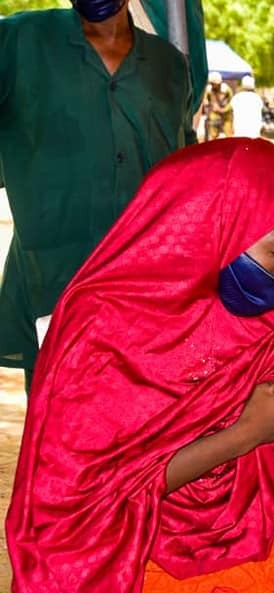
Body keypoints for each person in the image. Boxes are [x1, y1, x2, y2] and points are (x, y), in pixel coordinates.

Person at [5, 139, 274, 593]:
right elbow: (77, 504)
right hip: (138, 560)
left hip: (256, 527)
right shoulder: (100, 330)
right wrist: (247, 435)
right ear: (212, 226)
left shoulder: (257, 306)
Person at [0, 0, 196, 393]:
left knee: (142, 417)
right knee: (59, 421)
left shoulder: (168, 65)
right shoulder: (19, 42)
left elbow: (184, 175)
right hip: (56, 281)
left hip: (146, 286)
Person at [202, 70, 233, 141]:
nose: (214, 85)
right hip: (214, 116)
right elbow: (206, 101)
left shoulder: (226, 89)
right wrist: (208, 104)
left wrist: (223, 110)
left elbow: (231, 102)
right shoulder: (209, 90)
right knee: (212, 137)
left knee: (229, 137)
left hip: (226, 116)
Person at [230, 74, 264, 138]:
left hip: (239, 132)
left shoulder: (237, 97)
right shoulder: (257, 98)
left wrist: (232, 127)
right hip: (254, 133)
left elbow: (231, 113)